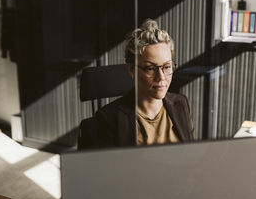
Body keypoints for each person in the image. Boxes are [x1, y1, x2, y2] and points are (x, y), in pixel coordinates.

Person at [78, 19, 194, 149]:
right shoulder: (108, 120)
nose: (161, 77)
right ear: (131, 69)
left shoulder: (180, 103)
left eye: (167, 67)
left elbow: (191, 155)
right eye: (150, 68)